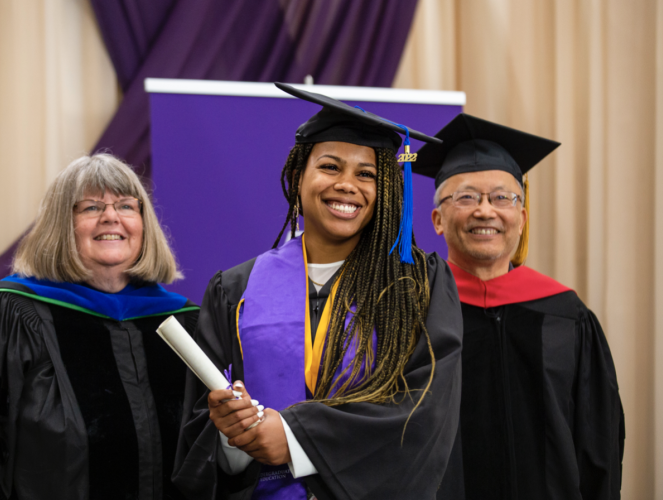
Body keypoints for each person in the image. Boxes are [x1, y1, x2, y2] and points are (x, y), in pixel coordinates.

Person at [173, 84, 463, 500]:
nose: (348, 185)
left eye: (367, 174)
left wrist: (295, 439)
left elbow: (425, 410)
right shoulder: (235, 289)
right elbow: (200, 423)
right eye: (330, 167)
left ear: (387, 191)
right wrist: (233, 436)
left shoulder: (418, 286)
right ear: (297, 175)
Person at [0, 154, 199, 500]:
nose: (111, 217)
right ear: (62, 225)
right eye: (90, 208)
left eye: (127, 206)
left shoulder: (183, 325)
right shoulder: (8, 316)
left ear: (144, 225)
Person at [412, 114, 625, 499]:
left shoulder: (565, 315)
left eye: (501, 197)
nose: (485, 211)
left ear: (522, 219)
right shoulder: (412, 313)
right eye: (466, 197)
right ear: (437, 220)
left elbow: (598, 443)